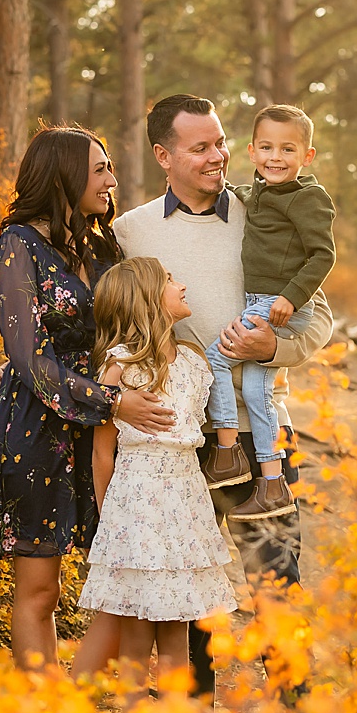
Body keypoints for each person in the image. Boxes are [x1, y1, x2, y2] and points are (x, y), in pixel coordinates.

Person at [112, 93, 334, 697]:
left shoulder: (262, 211)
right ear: (164, 155)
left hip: (260, 430)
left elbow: (319, 318)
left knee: (276, 580)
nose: (219, 156)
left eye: (221, 142)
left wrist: (274, 350)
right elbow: (115, 325)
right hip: (179, 441)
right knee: (190, 591)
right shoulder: (129, 232)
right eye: (200, 147)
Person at [0, 127, 176, 673]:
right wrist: (111, 401)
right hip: (37, 427)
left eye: (110, 167)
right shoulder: (18, 245)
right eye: (100, 169)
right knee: (40, 588)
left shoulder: (103, 246)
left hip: (105, 433)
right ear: (64, 174)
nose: (112, 180)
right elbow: (28, 357)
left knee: (115, 576)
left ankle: (84, 694)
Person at [75, 257, 235, 690]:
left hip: (184, 505)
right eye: (169, 280)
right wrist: (111, 524)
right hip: (136, 509)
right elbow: (101, 453)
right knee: (137, 627)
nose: (182, 285)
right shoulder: (120, 367)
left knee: (178, 622)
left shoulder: (193, 363)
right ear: (148, 301)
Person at [200, 104, 336, 522]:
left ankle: (226, 453)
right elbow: (248, 196)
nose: (276, 157)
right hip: (265, 299)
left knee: (215, 356)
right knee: (259, 395)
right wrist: (236, 192)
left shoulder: (309, 198)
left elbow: (323, 255)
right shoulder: (260, 192)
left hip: (276, 302)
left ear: (307, 156)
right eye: (267, 148)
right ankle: (272, 482)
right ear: (253, 153)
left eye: (288, 149)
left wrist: (291, 299)